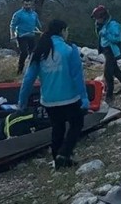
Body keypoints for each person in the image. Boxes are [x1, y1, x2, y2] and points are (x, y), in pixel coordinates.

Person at [17, 19, 89, 169]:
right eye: (67, 30)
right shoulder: (70, 49)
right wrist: (84, 98)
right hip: (70, 98)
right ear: (62, 31)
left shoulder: (40, 50)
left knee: (58, 128)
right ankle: (65, 153)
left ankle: (58, 161)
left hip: (49, 100)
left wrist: (22, 101)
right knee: (77, 124)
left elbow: (28, 79)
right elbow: (77, 77)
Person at [91, 5, 121, 101]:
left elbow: (118, 39)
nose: (97, 20)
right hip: (106, 50)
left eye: (98, 18)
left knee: (108, 73)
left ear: (103, 17)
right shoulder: (100, 25)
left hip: (111, 50)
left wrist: (106, 34)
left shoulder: (112, 25)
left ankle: (109, 95)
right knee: (115, 70)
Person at [9, 0, 42, 74]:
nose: (28, 6)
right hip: (21, 36)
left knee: (33, 53)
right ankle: (20, 70)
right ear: (23, 4)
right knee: (24, 52)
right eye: (26, 5)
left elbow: (37, 24)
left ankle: (33, 70)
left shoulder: (34, 14)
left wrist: (40, 31)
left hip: (32, 35)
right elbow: (12, 25)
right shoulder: (18, 14)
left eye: (29, 4)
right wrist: (12, 35)